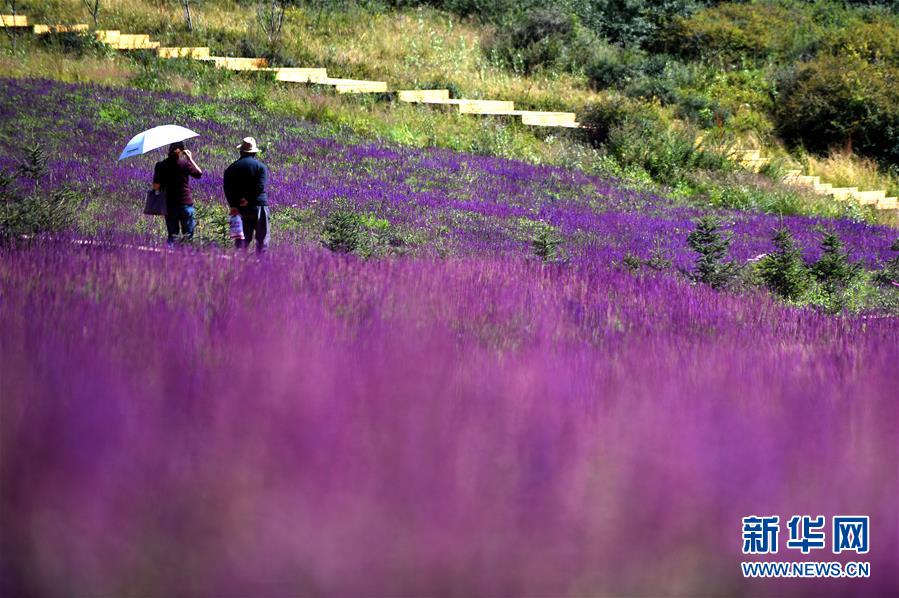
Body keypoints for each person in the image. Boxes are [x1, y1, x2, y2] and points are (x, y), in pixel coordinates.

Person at [223, 137, 271, 254]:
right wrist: (248, 199)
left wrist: (233, 204)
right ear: (254, 152)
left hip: (240, 208)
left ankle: (240, 264)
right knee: (262, 239)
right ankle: (261, 264)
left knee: (242, 240)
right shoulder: (261, 167)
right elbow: (260, 186)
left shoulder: (231, 168)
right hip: (259, 206)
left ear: (241, 151)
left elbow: (227, 188)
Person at [153, 141, 203, 247]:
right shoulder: (184, 164)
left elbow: (156, 187)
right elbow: (199, 173)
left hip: (169, 204)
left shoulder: (160, 165)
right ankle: (186, 258)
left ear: (169, 151)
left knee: (172, 235)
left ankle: (170, 259)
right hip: (185, 203)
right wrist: (190, 158)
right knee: (188, 236)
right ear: (182, 152)